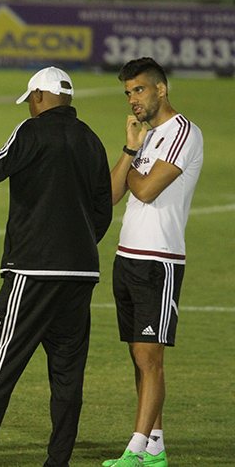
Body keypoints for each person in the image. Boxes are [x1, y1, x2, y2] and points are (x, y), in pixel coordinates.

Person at [0, 66, 113, 467]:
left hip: (32, 272)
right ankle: (57, 462)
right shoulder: (93, 141)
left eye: (31, 99)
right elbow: (103, 210)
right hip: (81, 274)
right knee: (67, 375)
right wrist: (76, 247)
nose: (30, 106)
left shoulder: (32, 132)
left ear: (40, 97)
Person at [104, 57, 203, 467]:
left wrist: (134, 161)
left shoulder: (183, 132)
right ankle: (155, 449)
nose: (133, 99)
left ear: (161, 89)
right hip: (127, 257)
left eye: (139, 90)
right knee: (139, 357)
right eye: (128, 92)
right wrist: (130, 147)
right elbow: (109, 196)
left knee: (150, 358)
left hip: (158, 261)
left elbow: (143, 190)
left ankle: (135, 450)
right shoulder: (143, 135)